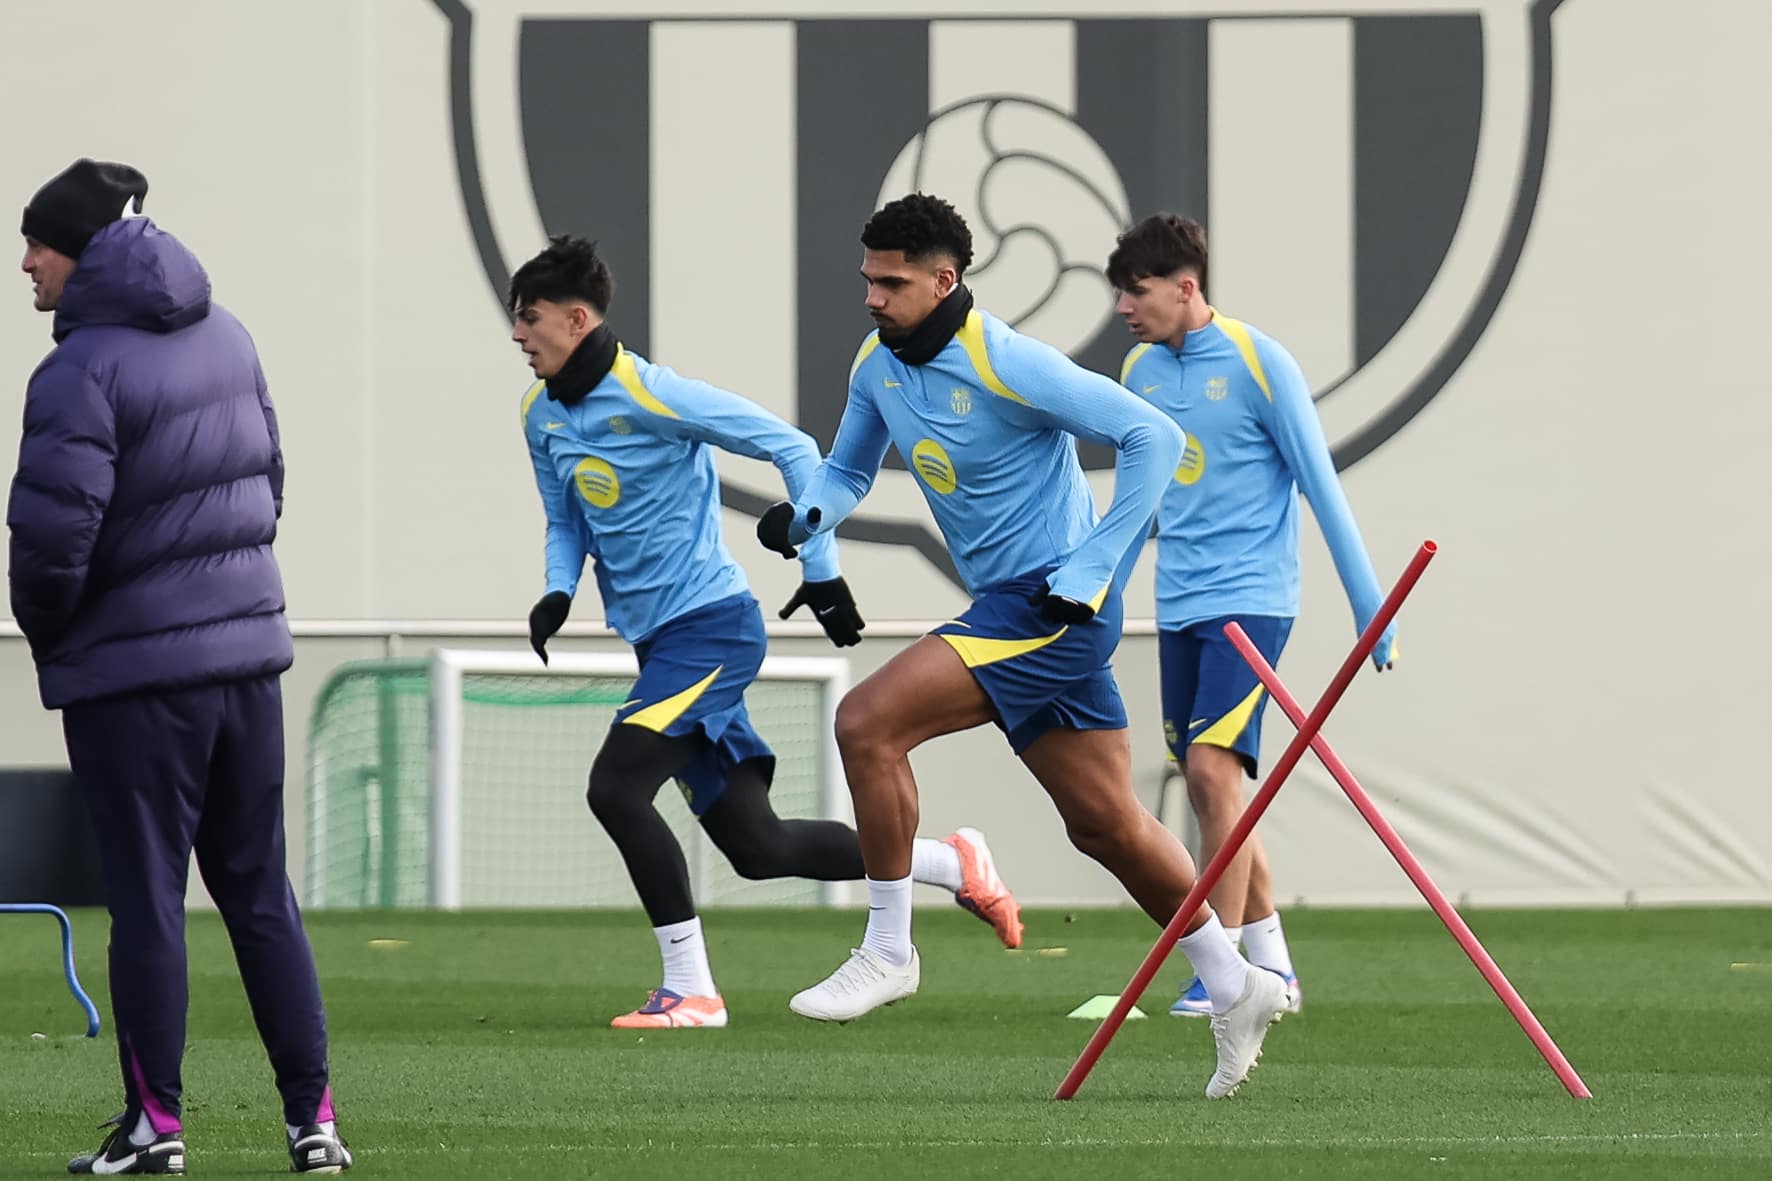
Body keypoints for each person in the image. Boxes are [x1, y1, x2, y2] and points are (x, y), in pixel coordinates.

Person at [757, 193, 1288, 1099]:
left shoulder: (1004, 360)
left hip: (1052, 607)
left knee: (867, 723)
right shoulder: (878, 364)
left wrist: (1094, 563)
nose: (874, 298)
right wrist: (811, 516)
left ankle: (889, 948)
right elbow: (847, 469)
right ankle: (1239, 984)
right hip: (1016, 608)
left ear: (944, 280)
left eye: (892, 283)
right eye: (868, 281)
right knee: (1107, 825)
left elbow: (1152, 436)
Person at [510, 235, 1021, 1030]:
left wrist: (820, 569)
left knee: (615, 786)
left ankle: (692, 989)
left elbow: (792, 447)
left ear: (577, 319)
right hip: (660, 645)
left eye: (529, 319)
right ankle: (950, 863)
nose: (517, 335)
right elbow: (562, 519)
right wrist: (553, 588)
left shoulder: (653, 393)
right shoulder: (539, 414)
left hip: (710, 631)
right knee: (759, 846)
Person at [8, 159, 350, 1174]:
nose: (24, 263)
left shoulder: (76, 369)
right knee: (259, 892)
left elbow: (50, 541)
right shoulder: (229, 332)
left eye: (37, 244)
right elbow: (270, 478)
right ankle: (312, 1120)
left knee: (148, 897)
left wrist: (55, 631)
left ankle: (156, 1126)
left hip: (134, 678)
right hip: (246, 658)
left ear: (80, 251)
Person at [1107, 213, 1397, 1018]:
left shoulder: (1259, 361)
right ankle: (1277, 967)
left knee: (1210, 772)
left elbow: (1320, 483)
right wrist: (1107, 590)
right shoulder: (1139, 372)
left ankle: (1223, 968)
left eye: (1137, 293)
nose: (1125, 309)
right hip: (1180, 605)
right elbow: (1141, 501)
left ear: (1185, 286)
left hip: (1252, 602)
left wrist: (1368, 602)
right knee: (1215, 791)